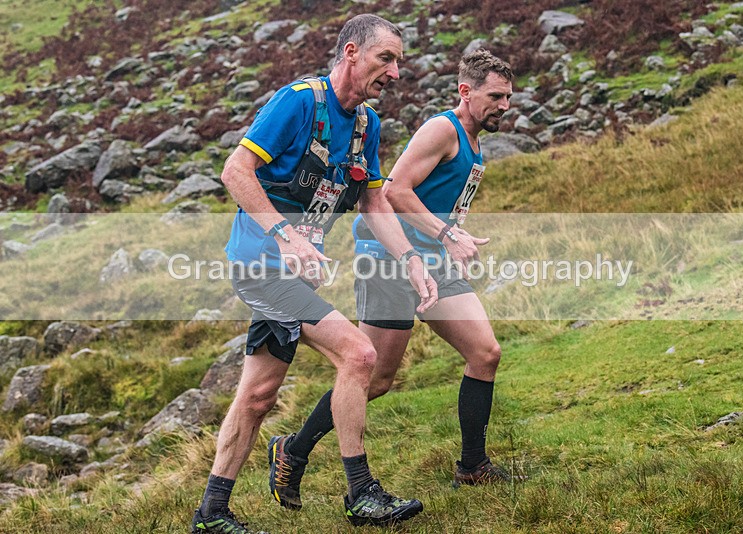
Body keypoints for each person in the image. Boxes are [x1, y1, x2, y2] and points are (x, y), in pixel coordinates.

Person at [190, 14, 438, 534]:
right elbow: (236, 171)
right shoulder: (298, 101)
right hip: (261, 265)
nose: (395, 73)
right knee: (360, 353)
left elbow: (374, 202)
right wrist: (286, 234)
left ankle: (211, 513)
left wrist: (413, 261)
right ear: (351, 53)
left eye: (399, 63)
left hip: (296, 276)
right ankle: (362, 494)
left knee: (258, 396)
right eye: (385, 59)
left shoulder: (367, 126)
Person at [267, 49, 515, 512]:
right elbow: (395, 190)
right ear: (466, 91)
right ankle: (292, 451)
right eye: (495, 96)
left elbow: (442, 200)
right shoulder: (443, 129)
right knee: (375, 378)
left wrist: (448, 243)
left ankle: (472, 465)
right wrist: (444, 233)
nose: (504, 106)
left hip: (434, 261)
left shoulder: (477, 141)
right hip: (387, 260)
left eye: (508, 97)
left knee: (485, 353)